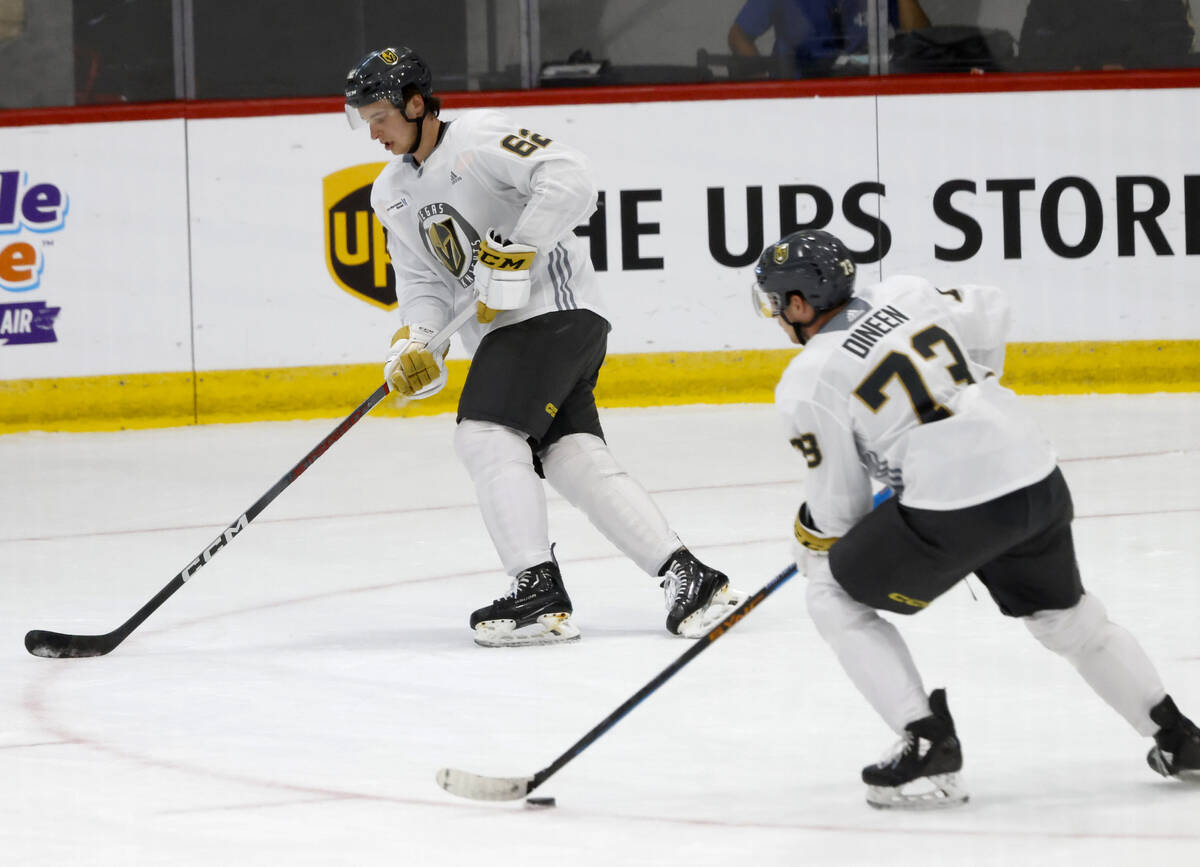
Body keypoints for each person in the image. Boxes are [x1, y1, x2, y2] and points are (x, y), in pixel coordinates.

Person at [750, 229, 1200, 808]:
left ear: (799, 304)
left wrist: (818, 547)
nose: (775, 316)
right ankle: (1178, 735)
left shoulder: (809, 379)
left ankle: (927, 741)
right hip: (1033, 472)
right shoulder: (907, 292)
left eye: (775, 302)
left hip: (954, 508)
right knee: (1068, 618)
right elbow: (992, 308)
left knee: (832, 592)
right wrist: (969, 404)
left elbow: (841, 511)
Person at [343, 46, 743, 648]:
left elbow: (571, 177)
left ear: (417, 103)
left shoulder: (479, 136)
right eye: (363, 119)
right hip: (519, 337)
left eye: (379, 115)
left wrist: (521, 246)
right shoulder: (390, 192)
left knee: (483, 433)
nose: (372, 131)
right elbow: (424, 282)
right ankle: (689, 575)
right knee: (570, 455)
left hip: (553, 315)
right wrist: (416, 341)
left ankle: (537, 591)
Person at [728, 0, 931, 76]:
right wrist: (765, 91)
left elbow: (924, 39)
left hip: (863, 98)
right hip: (799, 99)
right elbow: (739, 36)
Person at [1018, 0, 1194, 72]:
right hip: (1067, 100)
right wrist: (1076, 66)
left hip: (1146, 100)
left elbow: (1174, 45)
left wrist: (1129, 66)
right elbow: (1031, 51)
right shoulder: (1049, 4)